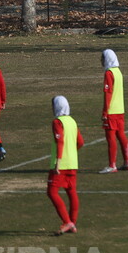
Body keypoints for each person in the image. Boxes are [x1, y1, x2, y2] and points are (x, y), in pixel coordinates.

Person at [47, 95, 84, 235]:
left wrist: (58, 162)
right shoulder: (72, 121)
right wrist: (71, 154)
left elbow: (60, 142)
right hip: (73, 163)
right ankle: (72, 223)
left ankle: (67, 222)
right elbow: (80, 142)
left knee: (52, 192)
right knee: (71, 192)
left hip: (60, 165)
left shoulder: (57, 122)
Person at [99, 49, 128, 173]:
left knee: (111, 137)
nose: (101, 62)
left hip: (111, 112)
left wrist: (104, 112)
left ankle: (112, 165)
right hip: (120, 110)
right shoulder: (118, 72)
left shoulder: (109, 73)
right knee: (121, 135)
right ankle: (127, 162)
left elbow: (108, 94)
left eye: (102, 59)